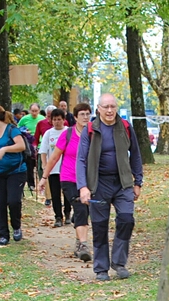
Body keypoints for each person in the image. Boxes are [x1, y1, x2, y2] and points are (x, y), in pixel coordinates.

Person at [76, 93, 143, 281]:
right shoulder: (90, 129)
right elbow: (81, 160)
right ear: (98, 109)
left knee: (126, 220)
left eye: (112, 106)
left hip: (123, 183)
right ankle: (101, 268)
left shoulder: (126, 127)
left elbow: (136, 155)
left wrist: (138, 181)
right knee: (99, 226)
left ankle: (119, 263)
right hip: (99, 184)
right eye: (105, 107)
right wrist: (83, 187)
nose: (109, 110)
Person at [38, 103, 93, 261]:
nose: (85, 117)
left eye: (87, 114)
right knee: (80, 208)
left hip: (89, 180)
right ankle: (83, 245)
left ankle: (78, 239)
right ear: (75, 117)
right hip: (69, 178)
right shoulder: (67, 134)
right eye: (82, 114)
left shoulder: (94, 134)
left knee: (84, 211)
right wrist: (44, 178)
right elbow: (54, 157)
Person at [0, 104, 28, 245]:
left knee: (13, 201)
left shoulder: (12, 130)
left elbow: (21, 146)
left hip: (16, 171)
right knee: (0, 204)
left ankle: (16, 226)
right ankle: (3, 235)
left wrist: (5, 149)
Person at [38, 108, 68, 226]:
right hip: (54, 169)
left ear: (63, 120)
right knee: (55, 194)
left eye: (59, 119)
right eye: (54, 119)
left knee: (67, 193)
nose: (57, 122)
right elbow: (43, 151)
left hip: (67, 169)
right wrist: (45, 165)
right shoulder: (48, 133)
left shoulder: (68, 131)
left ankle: (68, 212)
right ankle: (58, 216)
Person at [18, 104, 44, 191]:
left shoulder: (42, 118)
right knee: (30, 165)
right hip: (29, 145)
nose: (34, 113)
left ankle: (42, 184)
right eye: (32, 111)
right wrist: (24, 131)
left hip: (40, 144)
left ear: (39, 111)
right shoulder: (24, 119)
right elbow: (18, 128)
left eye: (36, 111)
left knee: (40, 166)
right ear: (29, 110)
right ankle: (31, 184)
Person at [35, 106, 56, 205]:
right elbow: (36, 137)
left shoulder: (63, 123)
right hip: (45, 151)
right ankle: (48, 197)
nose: (50, 119)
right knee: (45, 172)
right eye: (48, 116)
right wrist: (35, 146)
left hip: (58, 152)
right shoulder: (41, 123)